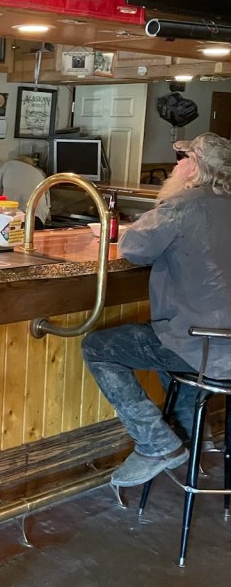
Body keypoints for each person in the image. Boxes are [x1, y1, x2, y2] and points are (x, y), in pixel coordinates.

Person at [82, 133, 231, 488]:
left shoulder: (181, 205)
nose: (176, 165)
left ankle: (157, 443)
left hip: (199, 344)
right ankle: (195, 434)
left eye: (183, 158)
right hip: (220, 348)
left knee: (99, 348)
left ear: (195, 167)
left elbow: (132, 248)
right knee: (175, 351)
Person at [0, 157, 50, 227]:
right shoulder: (40, 173)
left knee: (8, 236)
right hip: (35, 218)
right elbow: (48, 206)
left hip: (12, 216)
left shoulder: (8, 165)